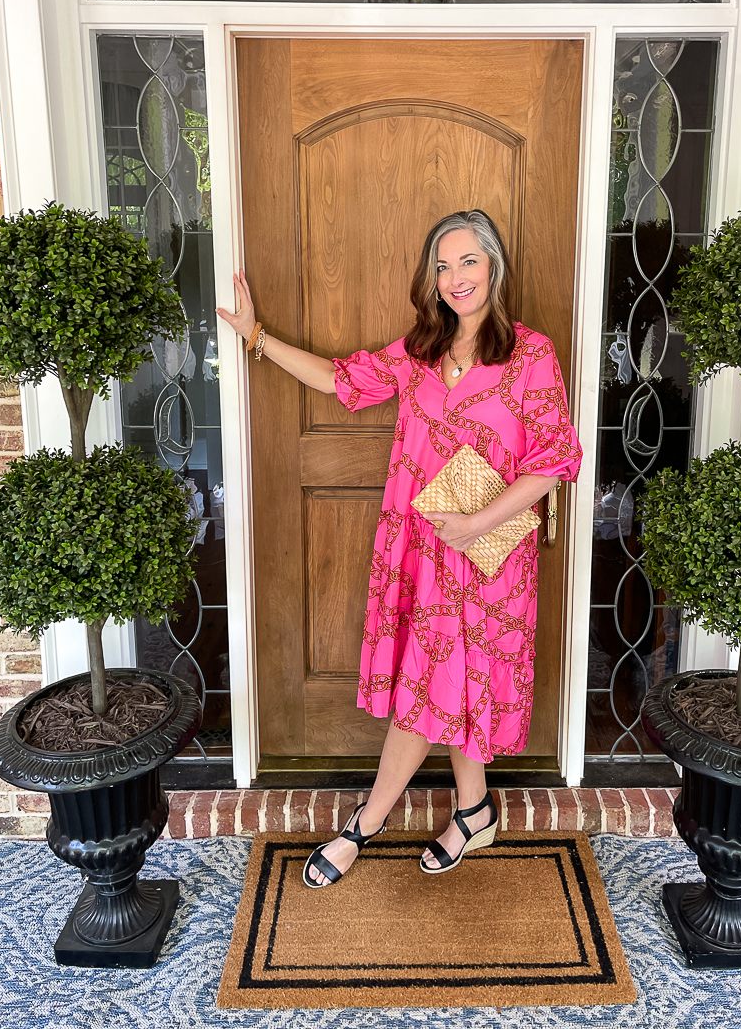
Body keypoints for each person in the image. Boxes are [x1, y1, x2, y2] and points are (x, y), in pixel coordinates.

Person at [216, 209, 582, 888]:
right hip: (421, 552)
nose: (454, 278)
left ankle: (366, 822)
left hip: (487, 559)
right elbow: (340, 380)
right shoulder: (420, 352)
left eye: (467, 261)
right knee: (448, 684)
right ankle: (473, 810)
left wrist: (477, 526)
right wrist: (257, 338)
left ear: (494, 266)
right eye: (442, 266)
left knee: (433, 686)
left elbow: (554, 462)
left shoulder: (531, 356)